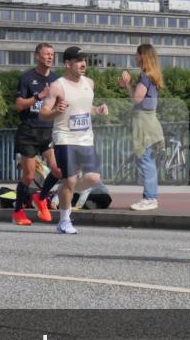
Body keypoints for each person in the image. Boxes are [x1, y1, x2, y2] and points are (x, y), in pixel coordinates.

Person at [39, 46, 109, 235]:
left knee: (93, 178)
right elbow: (43, 113)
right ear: (67, 63)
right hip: (65, 137)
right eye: (78, 60)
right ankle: (64, 221)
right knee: (70, 179)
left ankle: (61, 193)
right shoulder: (58, 85)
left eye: (84, 60)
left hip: (86, 138)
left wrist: (98, 109)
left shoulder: (90, 83)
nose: (83, 64)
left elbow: (86, 108)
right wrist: (56, 111)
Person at [11, 43, 61, 225]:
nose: (50, 57)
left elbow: (60, 103)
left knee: (58, 170)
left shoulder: (57, 80)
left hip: (48, 131)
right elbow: (18, 105)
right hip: (29, 131)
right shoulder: (27, 78)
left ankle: (41, 197)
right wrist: (39, 96)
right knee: (29, 176)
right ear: (37, 56)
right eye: (46, 54)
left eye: (52, 54)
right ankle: (18, 212)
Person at [119, 43, 165, 211]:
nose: (134, 57)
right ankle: (150, 197)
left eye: (136, 54)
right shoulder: (153, 75)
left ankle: (150, 198)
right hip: (151, 122)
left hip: (144, 124)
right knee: (148, 160)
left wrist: (128, 84)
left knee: (145, 161)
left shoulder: (144, 76)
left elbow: (137, 99)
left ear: (142, 56)